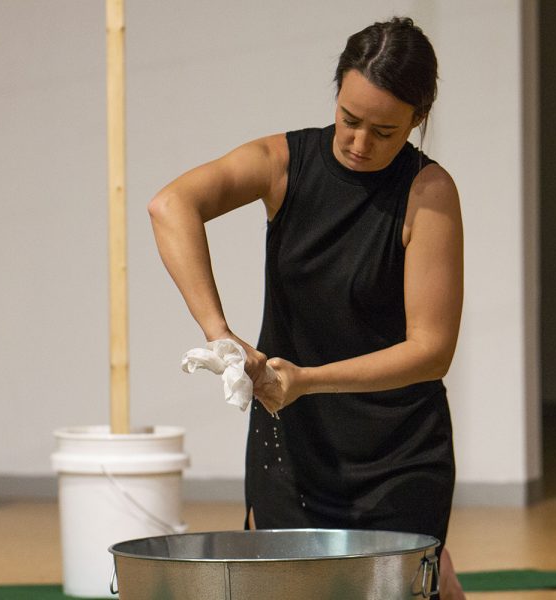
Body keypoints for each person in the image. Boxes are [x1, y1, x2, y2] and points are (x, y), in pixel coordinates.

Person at [149, 17, 465, 599]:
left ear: (418, 121)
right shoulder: (283, 162)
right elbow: (171, 205)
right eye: (350, 120)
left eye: (386, 131)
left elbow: (431, 351)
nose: (360, 143)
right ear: (336, 95)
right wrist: (223, 335)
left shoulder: (428, 193)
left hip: (396, 454)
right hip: (291, 446)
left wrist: (309, 380)